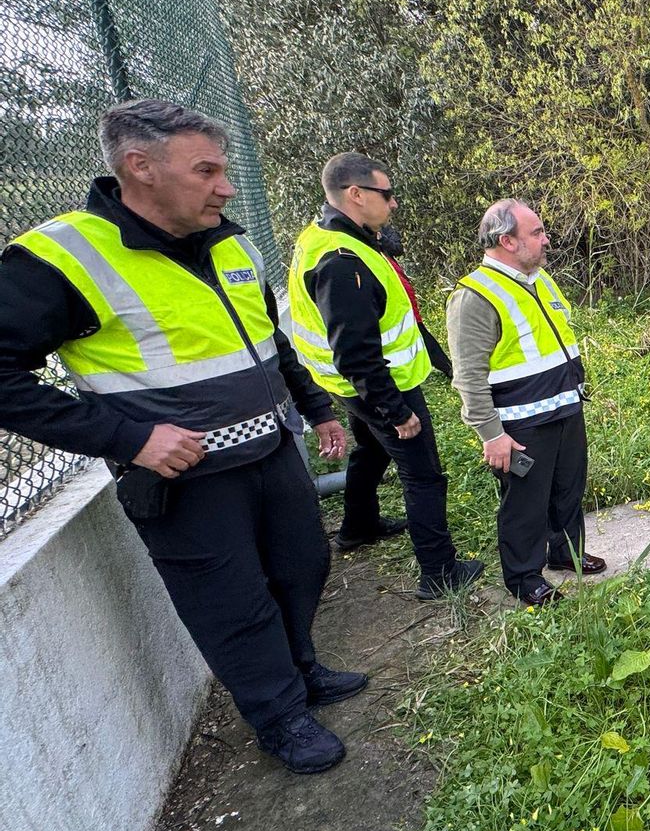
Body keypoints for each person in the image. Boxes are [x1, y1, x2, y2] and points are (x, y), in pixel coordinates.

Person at [0, 99, 365, 774]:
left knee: (302, 565)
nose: (225, 186)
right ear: (140, 168)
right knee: (234, 604)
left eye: (225, 171)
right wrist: (126, 438)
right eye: (207, 171)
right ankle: (280, 717)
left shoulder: (230, 240)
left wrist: (317, 410)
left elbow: (268, 340)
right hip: (181, 481)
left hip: (269, 449)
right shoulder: (64, 255)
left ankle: (302, 670)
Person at [285, 153, 483, 599]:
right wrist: (394, 410)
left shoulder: (331, 237)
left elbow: (394, 318)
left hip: (353, 387)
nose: (393, 204)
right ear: (356, 194)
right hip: (380, 385)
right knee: (423, 475)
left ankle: (358, 526)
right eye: (386, 194)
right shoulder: (341, 261)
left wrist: (446, 363)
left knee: (371, 451)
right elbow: (355, 352)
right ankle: (438, 573)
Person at [445, 199, 605, 607]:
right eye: (536, 233)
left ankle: (565, 552)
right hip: (520, 424)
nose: (546, 239)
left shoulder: (539, 279)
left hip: (565, 408)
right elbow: (468, 377)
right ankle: (523, 576)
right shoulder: (475, 297)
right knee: (525, 504)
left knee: (568, 489)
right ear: (507, 241)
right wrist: (490, 435)